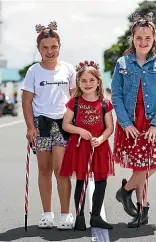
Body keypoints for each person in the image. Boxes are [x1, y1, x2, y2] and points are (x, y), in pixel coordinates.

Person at [111, 12, 156, 228]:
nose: (143, 42)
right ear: (132, 38)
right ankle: (143, 210)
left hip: (154, 121)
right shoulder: (122, 63)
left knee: (151, 163)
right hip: (131, 122)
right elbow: (116, 95)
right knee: (140, 166)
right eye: (139, 38)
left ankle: (125, 190)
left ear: (153, 39)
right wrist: (125, 123)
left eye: (148, 38)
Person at [22, 21, 76, 229]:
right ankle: (47, 214)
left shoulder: (69, 70)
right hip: (41, 124)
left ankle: (65, 214)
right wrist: (30, 127)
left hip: (63, 124)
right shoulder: (33, 71)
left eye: (53, 47)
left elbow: (74, 98)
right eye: (45, 48)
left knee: (61, 170)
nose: (49, 51)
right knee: (44, 169)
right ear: (38, 50)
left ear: (59, 47)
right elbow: (27, 101)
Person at [60, 61, 114, 231]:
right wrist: (80, 130)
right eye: (83, 80)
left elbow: (110, 127)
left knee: (101, 181)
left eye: (91, 80)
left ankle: (96, 216)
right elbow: (66, 124)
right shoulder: (74, 102)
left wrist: (101, 139)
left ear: (98, 81)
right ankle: (80, 217)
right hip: (80, 148)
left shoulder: (105, 103)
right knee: (81, 182)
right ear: (78, 83)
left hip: (100, 147)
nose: (88, 84)